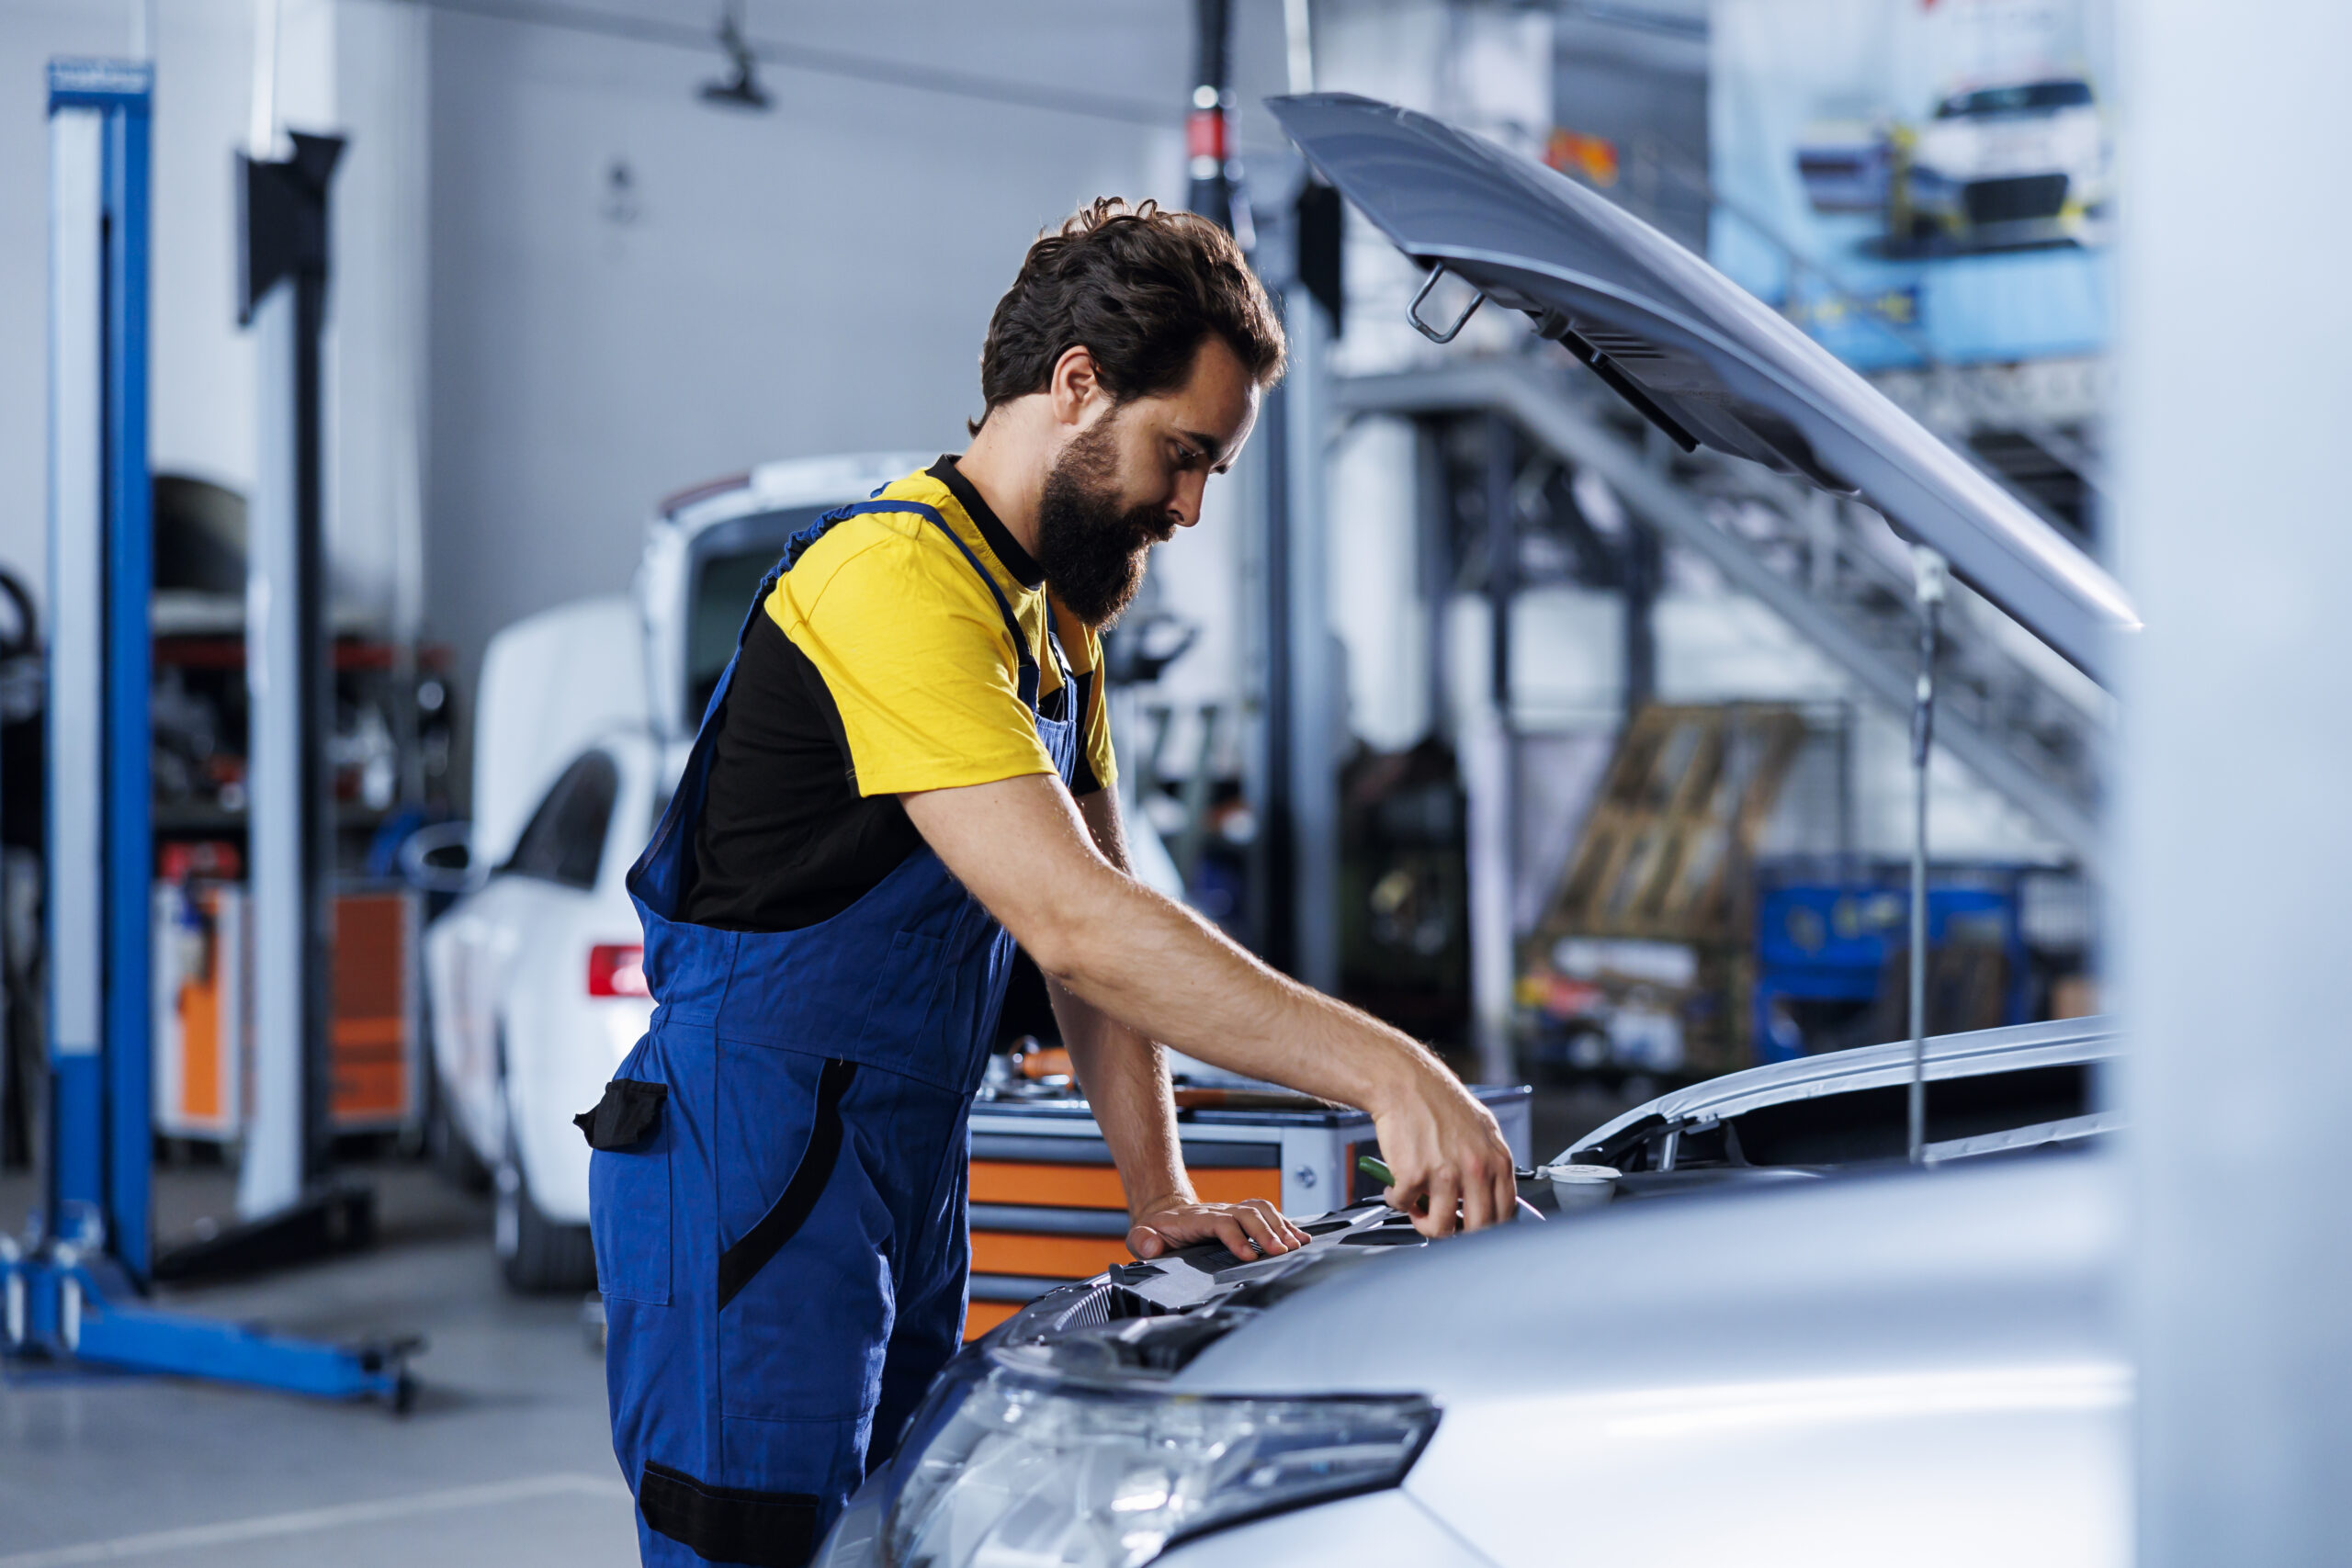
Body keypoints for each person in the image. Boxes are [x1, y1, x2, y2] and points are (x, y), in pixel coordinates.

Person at [583, 197, 1517, 1568]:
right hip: (750, 1161)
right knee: (760, 1547)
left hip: (890, 1161)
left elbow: (1106, 907)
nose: (1192, 508)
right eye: (1182, 455)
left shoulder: (1053, 627)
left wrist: (1160, 1191)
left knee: (902, 1539)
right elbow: (1075, 932)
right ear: (1078, 384)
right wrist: (1390, 1073)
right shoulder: (894, 586)